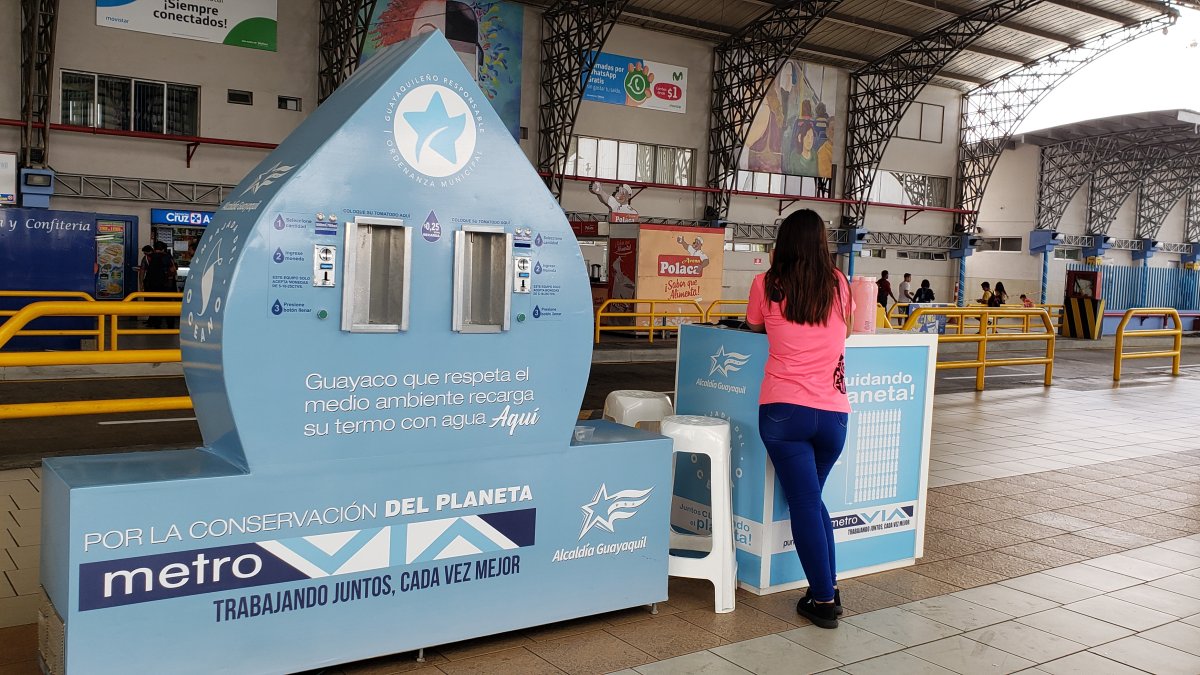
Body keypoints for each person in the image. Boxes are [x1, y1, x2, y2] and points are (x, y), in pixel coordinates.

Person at [745, 209, 852, 629]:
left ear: (783, 243)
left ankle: (824, 601)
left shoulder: (767, 283)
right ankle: (828, 589)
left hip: (784, 412)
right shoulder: (840, 284)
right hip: (834, 416)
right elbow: (849, 332)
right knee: (811, 501)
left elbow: (755, 327)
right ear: (822, 242)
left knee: (805, 503)